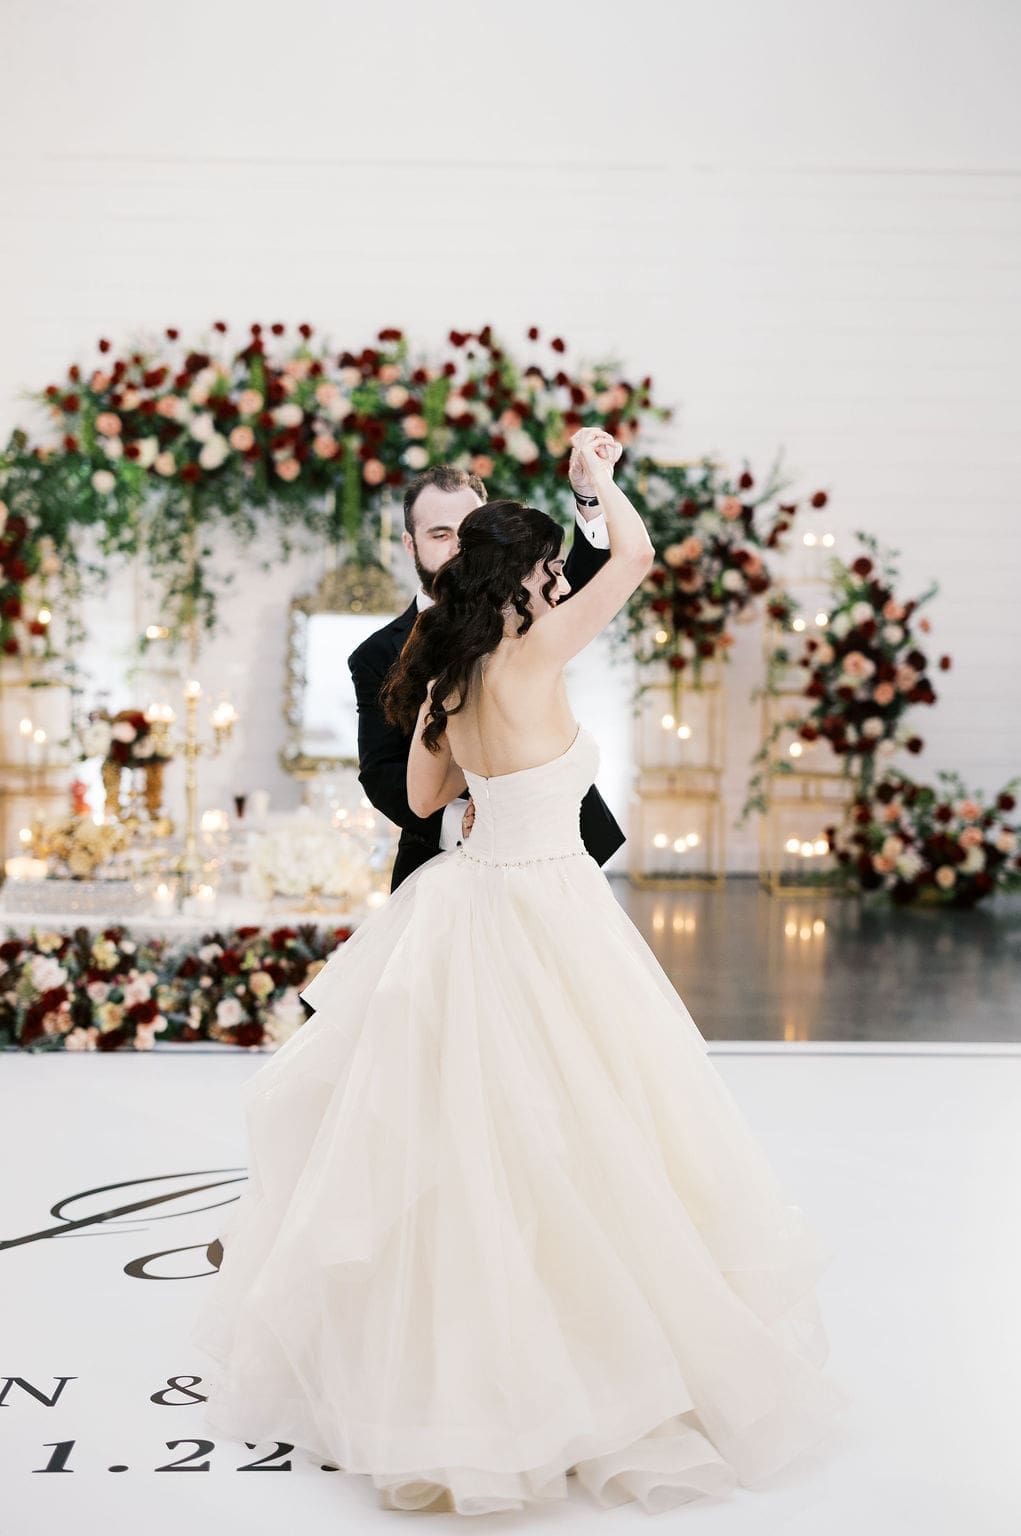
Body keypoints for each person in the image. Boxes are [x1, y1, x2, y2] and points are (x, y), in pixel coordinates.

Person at [189, 428, 849, 1517]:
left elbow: (418, 801)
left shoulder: (443, 680)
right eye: (546, 571)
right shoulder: (538, 653)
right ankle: (587, 1354)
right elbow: (631, 560)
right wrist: (600, 484)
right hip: (550, 906)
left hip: (464, 905)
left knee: (463, 1135)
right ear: (525, 580)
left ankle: (447, 1364)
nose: (557, 583)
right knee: (589, 1125)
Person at [348, 445, 625, 894]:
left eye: (470, 534)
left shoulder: (531, 615)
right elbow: (381, 772)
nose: (460, 549)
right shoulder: (377, 653)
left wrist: (589, 494)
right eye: (441, 535)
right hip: (439, 866)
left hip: (555, 858)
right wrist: (467, 821)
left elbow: (582, 583)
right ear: (409, 543)